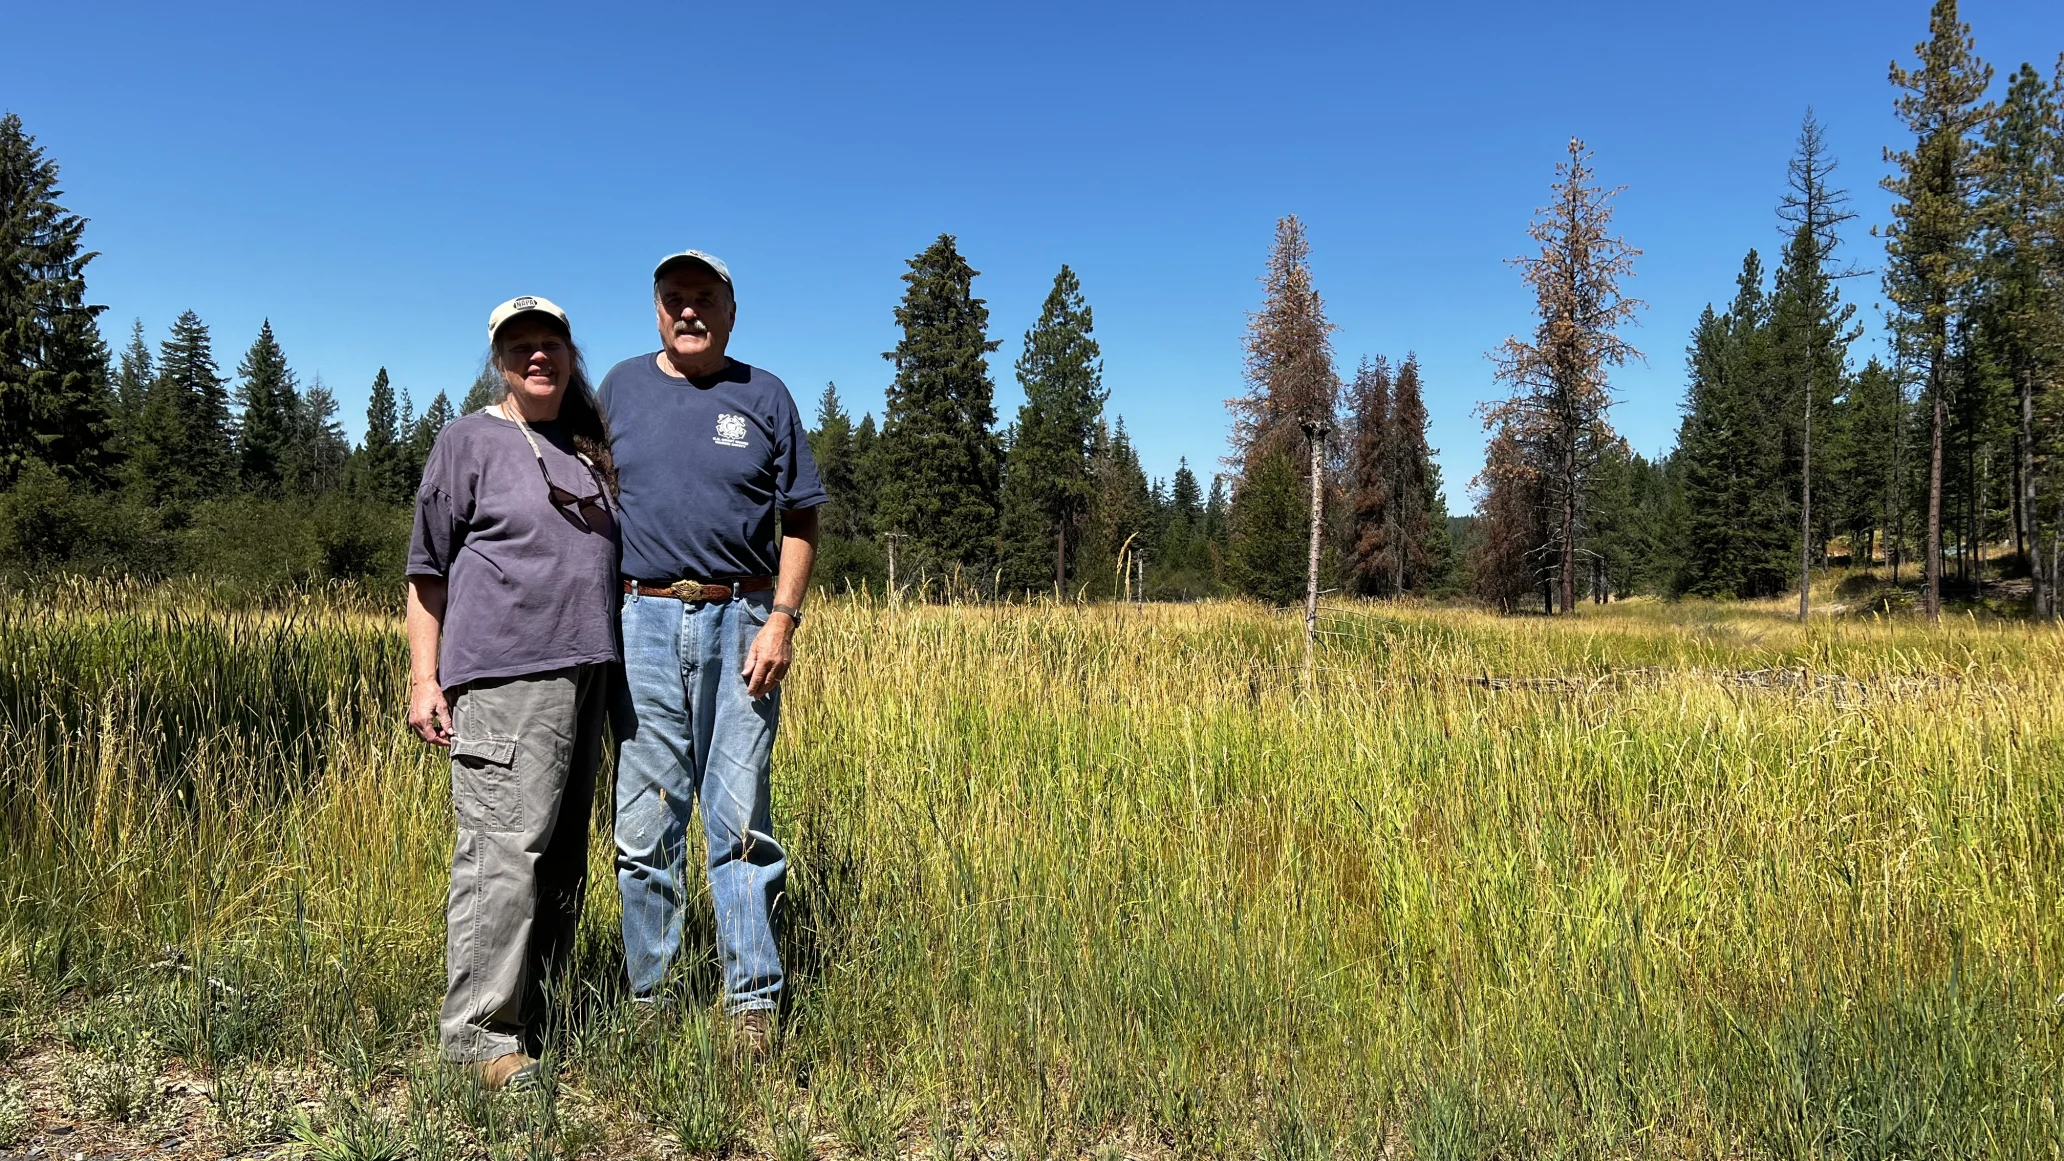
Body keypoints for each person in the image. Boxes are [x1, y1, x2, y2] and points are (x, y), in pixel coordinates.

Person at [600, 250, 824, 1049]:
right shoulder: (621, 388)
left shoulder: (765, 395)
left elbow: (800, 518)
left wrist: (782, 619)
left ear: (731, 312)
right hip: (642, 620)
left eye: (703, 299)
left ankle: (751, 1003)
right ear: (656, 310)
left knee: (738, 817)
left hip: (742, 621)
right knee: (645, 824)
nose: (688, 311)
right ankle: (651, 1000)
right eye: (674, 299)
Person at [404, 296, 620, 1091]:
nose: (538, 357)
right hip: (502, 675)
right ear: (499, 361)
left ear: (570, 354)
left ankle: (540, 1015)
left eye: (550, 343)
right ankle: (480, 1040)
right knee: (502, 855)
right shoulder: (468, 440)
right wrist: (425, 678)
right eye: (520, 346)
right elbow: (426, 570)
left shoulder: (588, 448)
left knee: (561, 858)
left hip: (589, 670)